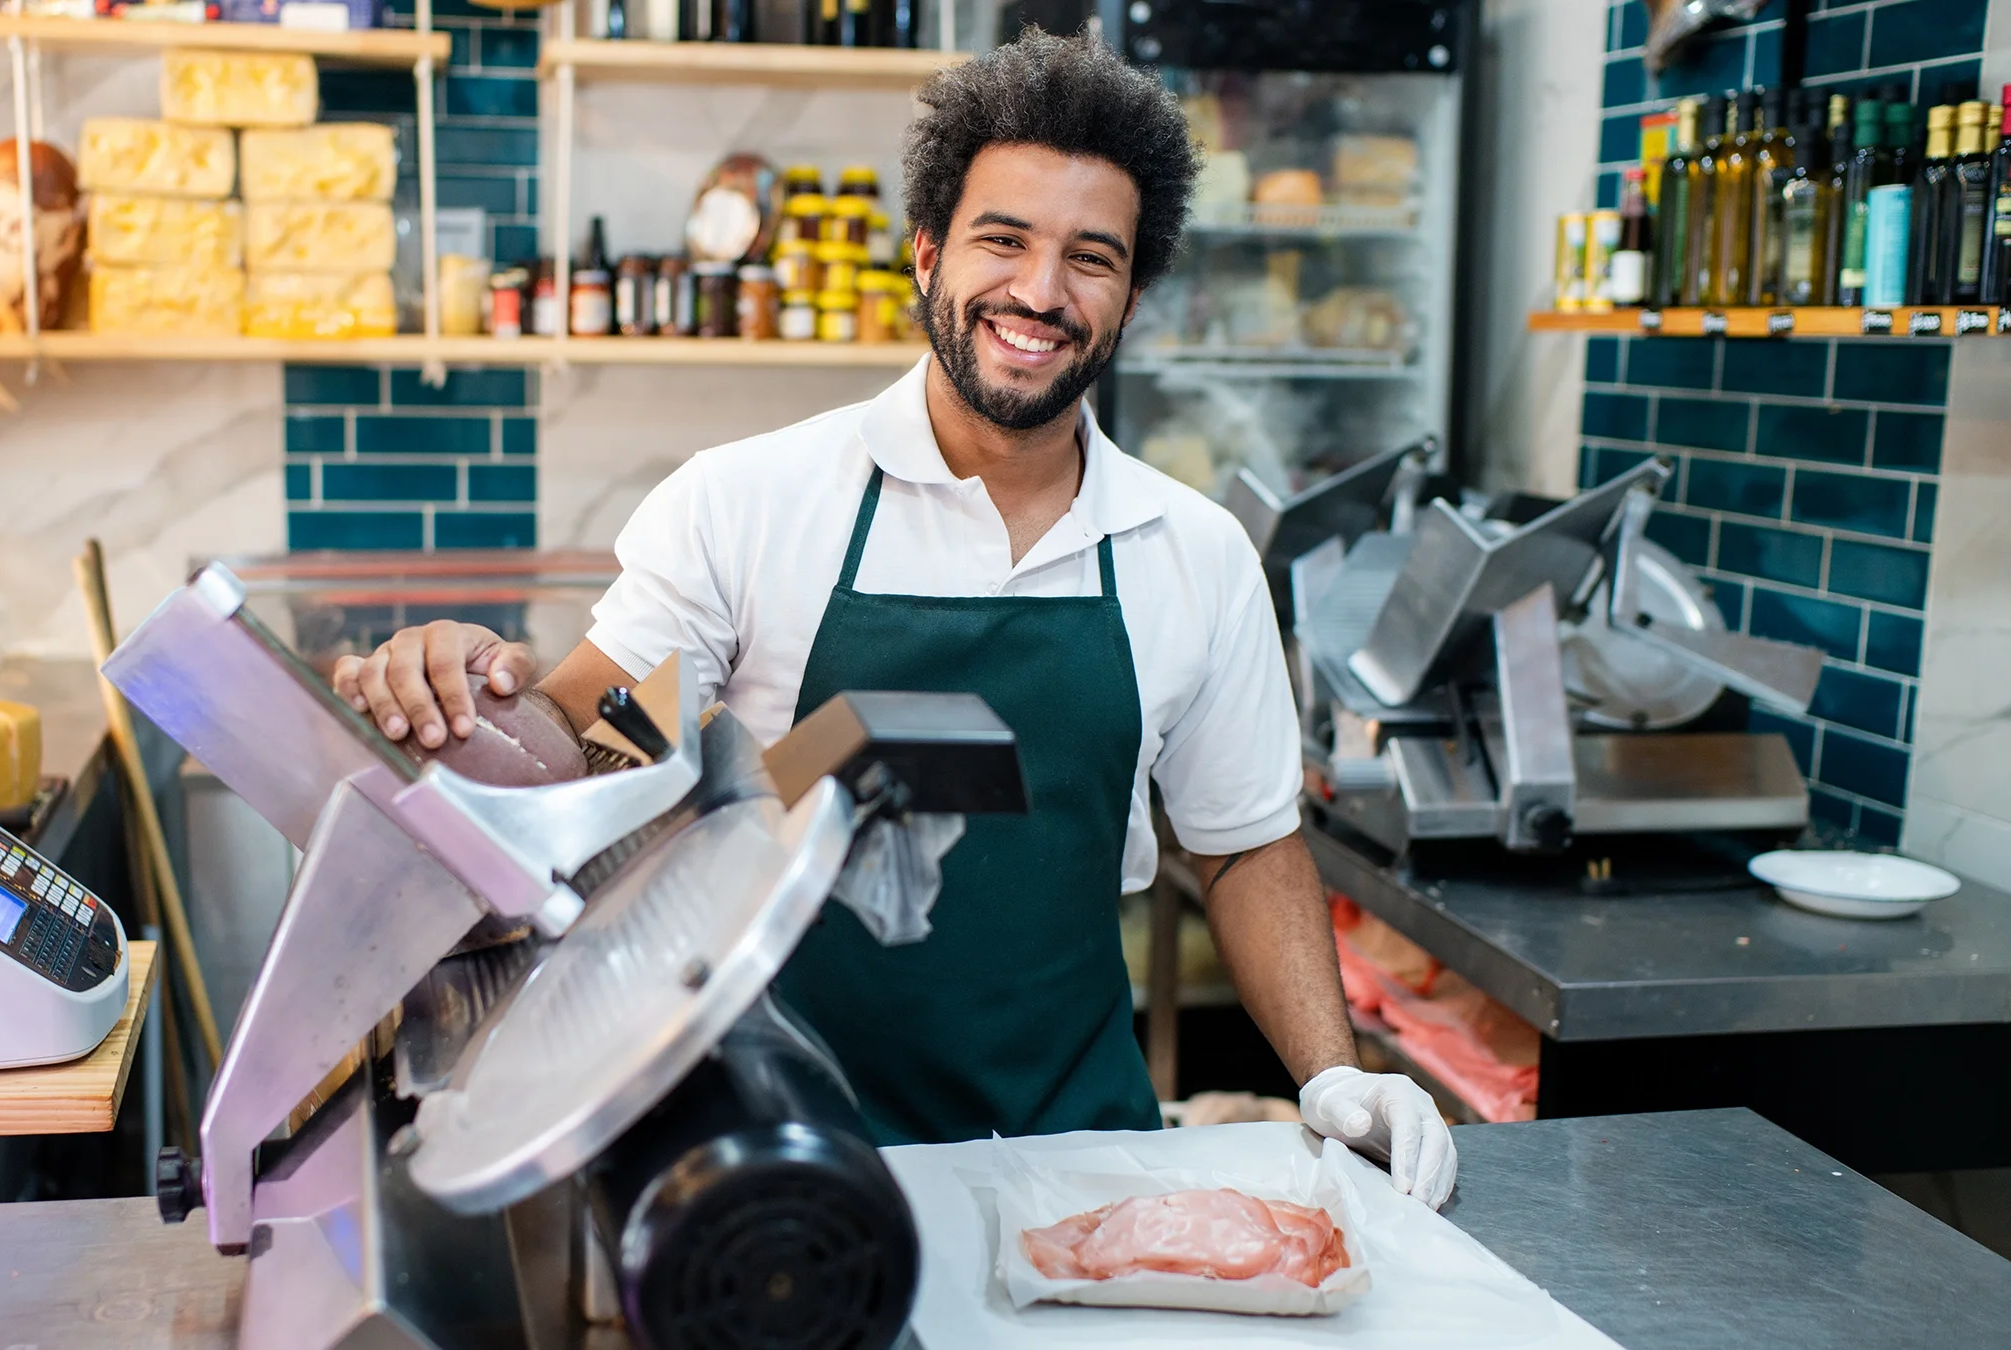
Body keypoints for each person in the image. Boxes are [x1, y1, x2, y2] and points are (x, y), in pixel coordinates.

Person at [333, 31, 1456, 1206]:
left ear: (1130, 294)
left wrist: (1334, 1076)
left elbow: (1241, 846)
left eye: (1091, 257)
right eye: (1003, 240)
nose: (1040, 292)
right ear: (927, 255)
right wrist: (476, 683)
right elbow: (592, 747)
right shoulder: (748, 502)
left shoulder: (1196, 553)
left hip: (1081, 1164)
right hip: (784, 1162)